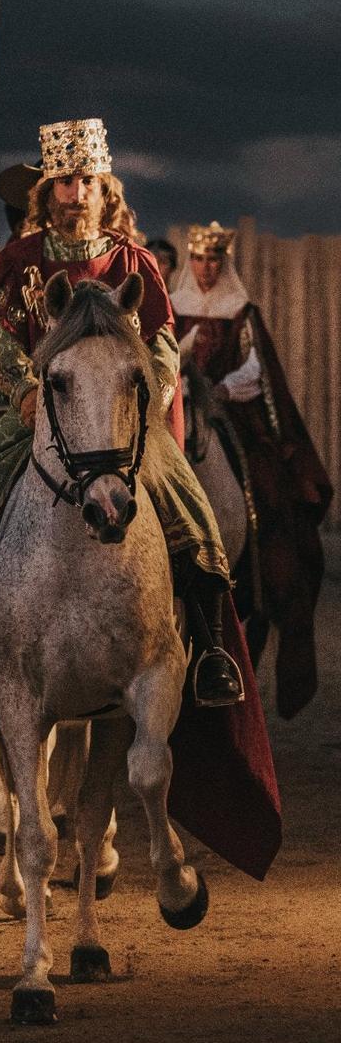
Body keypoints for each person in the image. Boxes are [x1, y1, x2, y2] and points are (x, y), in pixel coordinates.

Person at [0, 117, 242, 712]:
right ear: (49, 191)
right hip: (38, 414)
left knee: (195, 513)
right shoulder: (22, 257)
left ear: (105, 188)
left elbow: (164, 339)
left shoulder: (133, 263)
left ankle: (211, 650)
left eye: (87, 180)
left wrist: (155, 390)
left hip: (120, 419)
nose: (76, 193)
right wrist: (22, 387)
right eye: (65, 182)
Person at [171, 221, 333, 718]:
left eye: (214, 260)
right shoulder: (171, 308)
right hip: (177, 406)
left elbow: (256, 369)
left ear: (225, 263)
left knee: (262, 483)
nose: (206, 268)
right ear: (189, 261)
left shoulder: (241, 310)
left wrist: (220, 389)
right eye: (199, 259)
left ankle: (258, 576)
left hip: (225, 407)